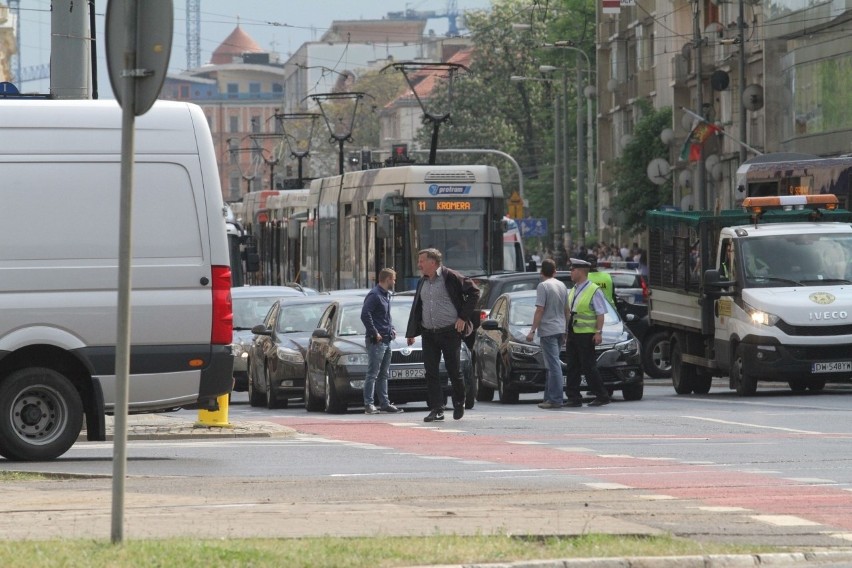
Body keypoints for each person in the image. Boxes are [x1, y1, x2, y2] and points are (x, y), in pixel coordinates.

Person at [406, 248, 480, 422]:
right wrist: (412, 332)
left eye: (421, 261)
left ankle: (459, 401)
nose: (419, 265)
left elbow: (474, 293)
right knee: (430, 372)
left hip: (449, 332)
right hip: (428, 334)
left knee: (453, 370)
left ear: (433, 262)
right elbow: (417, 308)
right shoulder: (422, 282)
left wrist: (463, 317)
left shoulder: (451, 276)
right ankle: (437, 408)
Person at [564, 257, 612, 407]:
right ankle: (573, 397)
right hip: (573, 333)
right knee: (572, 366)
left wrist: (598, 332)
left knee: (588, 366)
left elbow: (600, 313)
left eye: (572, 270)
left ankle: (602, 395)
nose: (570, 272)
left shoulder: (593, 289)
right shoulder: (574, 289)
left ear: (580, 271)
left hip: (586, 334)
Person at [525, 259, 568, 410]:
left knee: (553, 365)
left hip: (548, 330)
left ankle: (556, 399)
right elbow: (566, 310)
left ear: (541, 272)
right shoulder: (562, 285)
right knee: (551, 364)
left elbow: (540, 310)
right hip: (559, 328)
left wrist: (532, 330)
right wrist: (566, 330)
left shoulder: (543, 286)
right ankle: (549, 397)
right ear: (555, 271)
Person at [360, 268, 403, 415]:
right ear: (388, 279)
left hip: (387, 339)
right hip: (377, 341)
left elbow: (384, 317)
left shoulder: (385, 295)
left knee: (384, 374)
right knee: (373, 373)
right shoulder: (375, 295)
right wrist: (374, 332)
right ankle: (369, 405)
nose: (395, 282)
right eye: (394, 279)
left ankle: (384, 403)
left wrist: (392, 328)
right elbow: (365, 314)